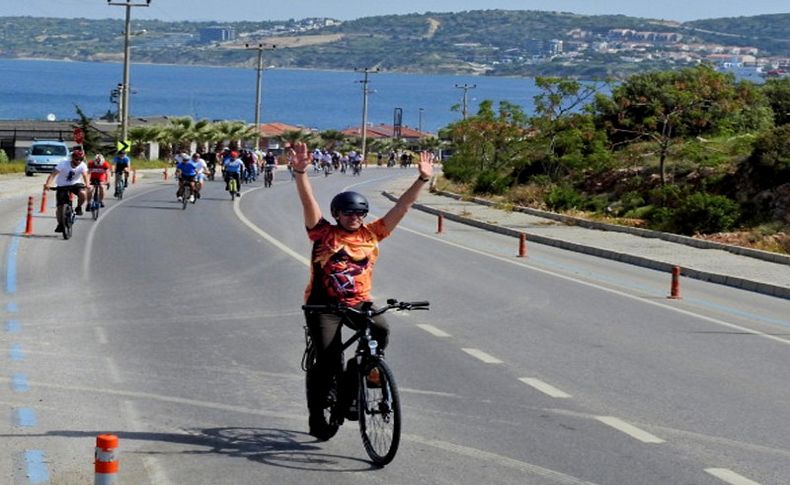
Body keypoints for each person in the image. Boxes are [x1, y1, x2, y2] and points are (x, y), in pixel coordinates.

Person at [289, 141, 433, 441]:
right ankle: (317, 413)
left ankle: (359, 373)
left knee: (380, 331)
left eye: (358, 213)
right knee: (327, 362)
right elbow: (307, 203)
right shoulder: (322, 232)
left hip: (358, 302)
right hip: (322, 306)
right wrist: (301, 172)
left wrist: (422, 179)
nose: (354, 217)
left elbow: (402, 207)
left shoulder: (373, 233)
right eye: (347, 213)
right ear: (337, 214)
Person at [43, 149, 90, 232]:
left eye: (81, 159)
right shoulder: (63, 163)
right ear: (72, 158)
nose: (78, 161)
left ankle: (79, 207)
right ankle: (60, 224)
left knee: (83, 193)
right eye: (76, 159)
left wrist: (87, 184)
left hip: (75, 184)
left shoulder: (82, 165)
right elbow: (53, 174)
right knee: (60, 207)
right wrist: (48, 184)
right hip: (62, 185)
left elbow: (85, 175)